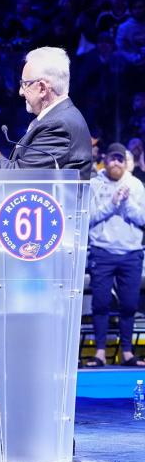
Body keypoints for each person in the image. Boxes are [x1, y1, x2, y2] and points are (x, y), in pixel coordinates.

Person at [0, 47, 93, 179]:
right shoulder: (60, 118)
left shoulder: (58, 125)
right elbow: (26, 171)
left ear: (43, 88)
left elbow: (23, 177)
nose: (20, 92)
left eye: (24, 84)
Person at [85, 143, 145, 368]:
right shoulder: (94, 185)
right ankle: (100, 353)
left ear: (126, 162)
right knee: (100, 304)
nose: (116, 163)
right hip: (102, 252)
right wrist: (112, 204)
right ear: (106, 160)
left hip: (131, 253)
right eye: (113, 159)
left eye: (121, 159)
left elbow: (143, 219)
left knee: (129, 305)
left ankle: (127, 353)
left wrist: (127, 203)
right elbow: (88, 218)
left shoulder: (135, 185)